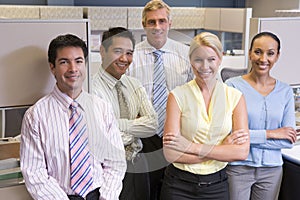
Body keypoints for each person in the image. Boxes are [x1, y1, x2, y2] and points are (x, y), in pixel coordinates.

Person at [20, 34, 126, 200]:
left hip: (99, 195)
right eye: (64, 62)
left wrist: (107, 197)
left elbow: (116, 161)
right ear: (52, 67)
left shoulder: (102, 108)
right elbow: (34, 173)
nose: (73, 69)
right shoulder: (36, 115)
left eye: (78, 61)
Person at [161, 32, 250, 200]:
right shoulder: (177, 96)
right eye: (198, 59)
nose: (204, 66)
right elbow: (171, 154)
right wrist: (222, 149)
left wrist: (190, 147)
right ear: (190, 60)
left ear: (220, 58)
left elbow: (241, 152)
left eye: (211, 59)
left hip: (217, 186)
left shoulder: (235, 97)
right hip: (179, 185)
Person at [127, 1, 194, 198]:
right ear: (143, 24)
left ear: (170, 23)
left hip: (178, 132)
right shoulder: (131, 56)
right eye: (152, 22)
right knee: (147, 189)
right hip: (144, 136)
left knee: (174, 189)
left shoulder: (186, 54)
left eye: (162, 21)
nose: (157, 27)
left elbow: (195, 93)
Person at [225, 31, 297, 200]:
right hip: (238, 168)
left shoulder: (285, 91)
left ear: (277, 56)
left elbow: (286, 141)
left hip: (271, 171)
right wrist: (272, 133)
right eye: (258, 52)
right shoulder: (232, 86)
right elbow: (230, 135)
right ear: (250, 53)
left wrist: (248, 137)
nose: (263, 59)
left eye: (270, 53)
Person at [91, 27, 158, 200]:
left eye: (129, 53)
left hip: (138, 163)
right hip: (109, 170)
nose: (124, 59)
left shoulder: (134, 84)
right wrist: (135, 130)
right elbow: (103, 140)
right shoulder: (91, 89)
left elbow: (152, 125)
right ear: (102, 51)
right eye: (117, 51)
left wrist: (117, 124)